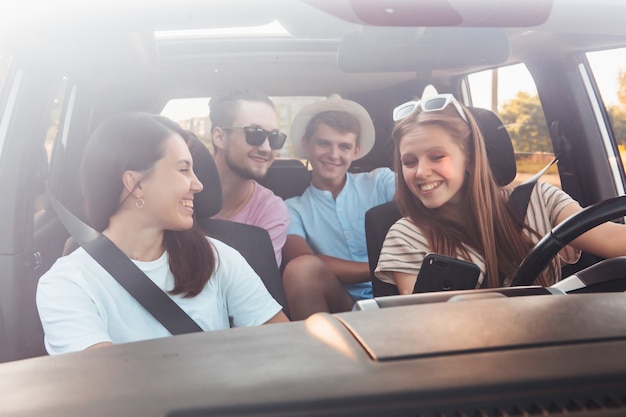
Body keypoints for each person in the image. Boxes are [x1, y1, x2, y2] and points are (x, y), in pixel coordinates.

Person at [36, 112, 288, 355]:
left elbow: (286, 347)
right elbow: (106, 383)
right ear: (135, 183)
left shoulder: (217, 257)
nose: (198, 184)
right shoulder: (68, 283)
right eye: (183, 170)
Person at [375, 93, 626, 294]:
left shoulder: (541, 200)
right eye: (409, 162)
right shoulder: (405, 236)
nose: (420, 172)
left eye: (437, 157)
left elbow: (613, 240)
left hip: (553, 342)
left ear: (470, 158)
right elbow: (420, 323)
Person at [282, 95, 395, 320]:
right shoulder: (291, 209)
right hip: (341, 305)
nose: (333, 155)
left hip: (399, 293)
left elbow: (422, 206)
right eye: (324, 143)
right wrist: (385, 269)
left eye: (344, 146)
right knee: (302, 269)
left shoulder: (381, 181)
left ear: (356, 151)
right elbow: (303, 261)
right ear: (306, 144)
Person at [209, 87, 290, 267]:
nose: (267, 148)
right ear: (220, 137)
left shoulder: (271, 210)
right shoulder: (182, 194)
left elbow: (255, 288)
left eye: (274, 138)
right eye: (255, 134)